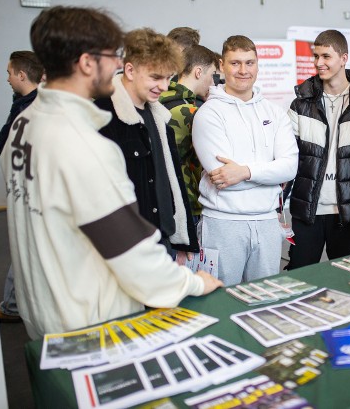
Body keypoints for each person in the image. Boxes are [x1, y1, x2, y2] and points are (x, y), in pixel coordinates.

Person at [1, 6, 222, 339]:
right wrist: (191, 283)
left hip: (45, 309)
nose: (118, 64)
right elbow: (130, 252)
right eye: (112, 55)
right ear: (88, 62)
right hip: (87, 321)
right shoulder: (83, 144)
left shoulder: (24, 123)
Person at [192, 35, 298, 286]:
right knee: (219, 299)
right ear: (222, 65)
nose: (243, 70)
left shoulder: (274, 112)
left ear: (258, 65)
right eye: (235, 63)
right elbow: (223, 177)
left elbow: (290, 166)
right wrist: (269, 175)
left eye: (249, 63)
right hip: (223, 224)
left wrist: (246, 171)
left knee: (265, 299)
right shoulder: (209, 114)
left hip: (268, 223)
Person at [285, 29, 350, 269]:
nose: (319, 63)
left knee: (348, 280)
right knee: (298, 277)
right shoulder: (301, 102)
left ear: (343, 58)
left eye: (326, 56)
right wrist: (278, 205)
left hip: (349, 214)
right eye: (316, 56)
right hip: (307, 210)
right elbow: (288, 157)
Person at [96, 28, 199, 267]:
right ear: (130, 70)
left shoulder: (159, 117)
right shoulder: (101, 116)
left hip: (162, 242)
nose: (163, 86)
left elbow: (173, 181)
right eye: (155, 77)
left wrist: (183, 241)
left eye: (168, 78)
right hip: (124, 249)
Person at [0, 50, 44, 323]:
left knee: (24, 245)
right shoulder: (32, 103)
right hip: (31, 187)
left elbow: (3, 144)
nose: (7, 78)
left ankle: (13, 306)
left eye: (9, 72)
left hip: (30, 189)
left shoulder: (26, 108)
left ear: (22, 75)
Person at [160, 45, 219, 230]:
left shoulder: (161, 98)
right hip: (185, 202)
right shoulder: (189, 111)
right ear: (198, 72)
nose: (213, 83)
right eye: (212, 75)